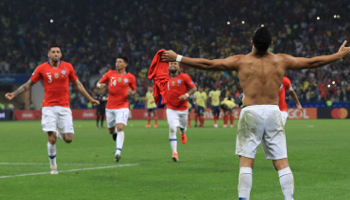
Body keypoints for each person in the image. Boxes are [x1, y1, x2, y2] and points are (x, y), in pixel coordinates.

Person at [161, 27, 350, 199]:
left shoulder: (241, 61)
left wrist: (178, 57)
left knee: (246, 161)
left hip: (251, 112)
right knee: (282, 162)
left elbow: (209, 65)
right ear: (271, 44)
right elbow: (312, 62)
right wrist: (338, 55)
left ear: (251, 42)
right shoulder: (281, 60)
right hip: (274, 111)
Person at [5, 44, 99, 174]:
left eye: (58, 52)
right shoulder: (41, 68)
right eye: (53, 52)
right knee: (51, 138)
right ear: (48, 54)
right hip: (48, 107)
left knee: (68, 139)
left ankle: (60, 133)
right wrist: (14, 93)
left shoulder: (68, 67)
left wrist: (90, 98)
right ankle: (53, 166)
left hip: (64, 107)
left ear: (61, 54)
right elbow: (29, 84)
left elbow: (78, 85)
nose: (56, 54)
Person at [96, 56, 136, 162]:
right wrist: (100, 85)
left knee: (120, 127)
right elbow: (99, 82)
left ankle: (118, 152)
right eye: (116, 61)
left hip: (123, 106)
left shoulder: (130, 77)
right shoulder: (109, 74)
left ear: (125, 64)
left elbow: (134, 90)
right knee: (111, 130)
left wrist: (131, 92)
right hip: (110, 107)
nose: (117, 63)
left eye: (120, 62)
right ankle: (115, 134)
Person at [166, 61, 196, 161]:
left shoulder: (184, 77)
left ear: (178, 66)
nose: (173, 65)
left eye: (175, 64)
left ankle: (182, 133)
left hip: (183, 109)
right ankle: (175, 152)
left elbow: (194, 88)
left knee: (182, 127)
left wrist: (186, 95)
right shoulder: (165, 78)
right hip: (170, 108)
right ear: (169, 66)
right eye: (171, 64)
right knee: (172, 129)